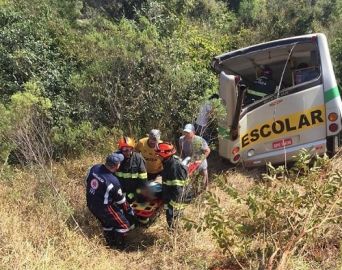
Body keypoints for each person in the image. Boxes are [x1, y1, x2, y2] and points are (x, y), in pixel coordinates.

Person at [85, 153, 135, 250]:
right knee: (124, 225)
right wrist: (129, 211)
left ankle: (110, 244)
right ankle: (120, 248)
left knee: (107, 223)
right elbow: (121, 202)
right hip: (103, 207)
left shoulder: (95, 168)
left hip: (90, 203)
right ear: (116, 166)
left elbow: (87, 181)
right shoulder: (113, 181)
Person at [155, 142, 188, 228]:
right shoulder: (168, 162)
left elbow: (179, 189)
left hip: (175, 201)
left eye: (158, 154)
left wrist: (172, 206)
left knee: (173, 219)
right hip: (170, 196)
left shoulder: (175, 167)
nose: (157, 156)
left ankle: (175, 235)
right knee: (172, 218)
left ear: (164, 154)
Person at [115, 137, 148, 203]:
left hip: (136, 191)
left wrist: (137, 193)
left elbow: (143, 180)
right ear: (120, 149)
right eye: (125, 150)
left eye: (130, 149)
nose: (128, 152)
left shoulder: (138, 158)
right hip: (122, 191)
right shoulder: (116, 159)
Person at [179, 123, 211, 189]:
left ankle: (206, 188)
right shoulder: (181, 139)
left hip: (200, 162)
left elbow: (207, 150)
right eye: (185, 132)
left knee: (204, 178)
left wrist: (200, 160)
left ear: (193, 132)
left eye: (188, 132)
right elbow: (181, 149)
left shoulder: (199, 140)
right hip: (190, 162)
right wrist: (182, 158)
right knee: (191, 179)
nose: (186, 134)